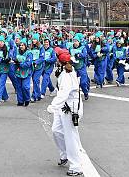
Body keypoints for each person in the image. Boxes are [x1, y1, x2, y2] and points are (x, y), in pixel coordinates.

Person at [48, 49, 84, 177]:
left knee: (71, 136)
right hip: (65, 106)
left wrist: (53, 106)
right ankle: (65, 155)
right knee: (56, 130)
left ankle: (76, 166)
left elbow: (63, 93)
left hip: (70, 107)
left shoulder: (67, 75)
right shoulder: (65, 70)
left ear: (59, 60)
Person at [14, 39, 33, 106]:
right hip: (18, 72)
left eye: (22, 45)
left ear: (25, 46)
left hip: (27, 72)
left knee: (25, 86)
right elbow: (14, 58)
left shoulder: (29, 53)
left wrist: (19, 64)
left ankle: (27, 99)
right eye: (20, 45)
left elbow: (28, 63)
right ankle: (20, 101)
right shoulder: (17, 52)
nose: (21, 46)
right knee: (18, 87)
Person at [30, 33, 45, 102]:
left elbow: (42, 58)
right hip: (32, 66)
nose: (34, 40)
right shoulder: (31, 47)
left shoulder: (41, 47)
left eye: (35, 39)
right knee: (35, 80)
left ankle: (34, 96)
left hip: (39, 66)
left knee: (35, 80)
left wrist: (36, 62)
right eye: (33, 39)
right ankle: (38, 95)